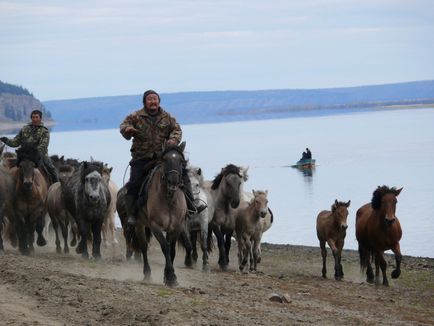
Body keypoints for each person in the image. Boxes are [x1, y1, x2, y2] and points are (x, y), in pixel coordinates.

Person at [120, 89, 206, 226]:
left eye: (155, 99)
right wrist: (128, 130)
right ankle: (132, 214)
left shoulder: (167, 117)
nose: (153, 101)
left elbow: (177, 130)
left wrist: (173, 140)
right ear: (145, 102)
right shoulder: (135, 116)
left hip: (163, 158)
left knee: (183, 175)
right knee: (134, 183)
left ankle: (192, 205)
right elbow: (124, 126)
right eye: (150, 99)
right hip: (141, 158)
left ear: (159, 101)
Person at [0, 109, 59, 183]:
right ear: (31, 118)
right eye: (33, 117)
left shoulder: (44, 131)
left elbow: (43, 146)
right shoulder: (24, 129)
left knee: (51, 169)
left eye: (37, 117)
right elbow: (16, 142)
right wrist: (6, 140)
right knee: (8, 167)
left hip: (39, 155)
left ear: (40, 118)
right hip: (24, 156)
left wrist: (33, 154)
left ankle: (57, 186)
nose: (35, 119)